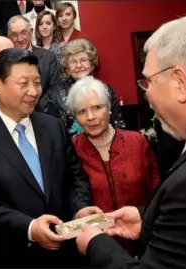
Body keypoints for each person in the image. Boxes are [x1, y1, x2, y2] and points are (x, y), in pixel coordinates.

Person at [76, 14, 186, 269]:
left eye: (148, 81)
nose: (146, 94)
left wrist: (96, 244)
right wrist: (146, 219)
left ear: (180, 82)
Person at [0, 48, 100, 267]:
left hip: (67, 252)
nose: (34, 91)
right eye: (23, 84)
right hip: (15, 254)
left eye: (37, 83)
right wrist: (30, 227)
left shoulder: (53, 127)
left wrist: (80, 207)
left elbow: (75, 177)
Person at [66, 76, 160, 254]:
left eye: (97, 107)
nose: (90, 117)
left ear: (109, 108)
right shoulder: (71, 150)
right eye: (81, 111)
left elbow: (157, 192)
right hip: (97, 249)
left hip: (145, 242)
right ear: (75, 117)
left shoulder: (136, 142)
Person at [44, 38, 125, 136]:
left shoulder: (105, 89)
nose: (79, 65)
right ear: (67, 69)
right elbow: (52, 131)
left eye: (83, 60)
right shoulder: (54, 94)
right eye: (73, 62)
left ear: (92, 64)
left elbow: (118, 124)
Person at [7, 15, 63, 111]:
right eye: (15, 34)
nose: (20, 39)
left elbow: (55, 89)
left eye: (23, 32)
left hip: (43, 113)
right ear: (9, 36)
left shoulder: (48, 57)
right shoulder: (5, 60)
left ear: (31, 32)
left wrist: (32, 107)